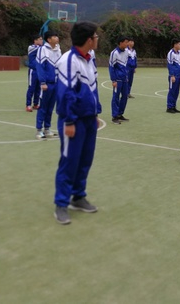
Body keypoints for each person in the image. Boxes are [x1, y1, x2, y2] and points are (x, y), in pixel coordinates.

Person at [53, 22, 102, 224]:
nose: (97, 39)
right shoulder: (68, 60)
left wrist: (95, 113)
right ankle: (61, 204)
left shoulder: (90, 59)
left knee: (85, 159)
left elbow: (93, 88)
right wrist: (70, 121)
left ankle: (78, 196)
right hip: (73, 120)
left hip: (89, 119)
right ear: (89, 40)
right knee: (69, 161)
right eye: (95, 36)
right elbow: (66, 93)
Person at [35, 31, 62, 139]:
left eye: (57, 36)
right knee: (43, 107)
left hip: (56, 83)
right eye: (54, 36)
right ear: (49, 39)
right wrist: (43, 82)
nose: (57, 37)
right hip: (47, 84)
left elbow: (60, 66)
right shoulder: (42, 50)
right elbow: (40, 66)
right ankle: (39, 130)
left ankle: (47, 129)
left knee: (50, 108)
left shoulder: (58, 50)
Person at [109, 35, 130, 123]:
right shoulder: (114, 53)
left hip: (124, 79)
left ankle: (120, 114)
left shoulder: (127, 52)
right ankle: (114, 116)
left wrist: (126, 76)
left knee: (125, 96)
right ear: (120, 43)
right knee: (116, 97)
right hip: (117, 79)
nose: (127, 44)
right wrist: (113, 80)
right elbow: (111, 67)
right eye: (126, 42)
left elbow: (126, 64)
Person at [26, 34, 43, 112]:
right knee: (31, 88)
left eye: (42, 39)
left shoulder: (42, 48)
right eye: (40, 39)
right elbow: (41, 49)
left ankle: (35, 104)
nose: (42, 41)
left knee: (38, 88)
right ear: (35, 40)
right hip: (33, 71)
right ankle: (28, 105)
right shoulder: (31, 47)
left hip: (39, 71)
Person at [166, 39, 180, 113]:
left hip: (178, 75)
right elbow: (170, 65)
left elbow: (179, 64)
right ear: (175, 45)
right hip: (173, 76)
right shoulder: (171, 53)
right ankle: (169, 107)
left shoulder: (179, 53)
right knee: (172, 91)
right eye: (179, 44)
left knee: (176, 92)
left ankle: (174, 106)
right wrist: (172, 75)